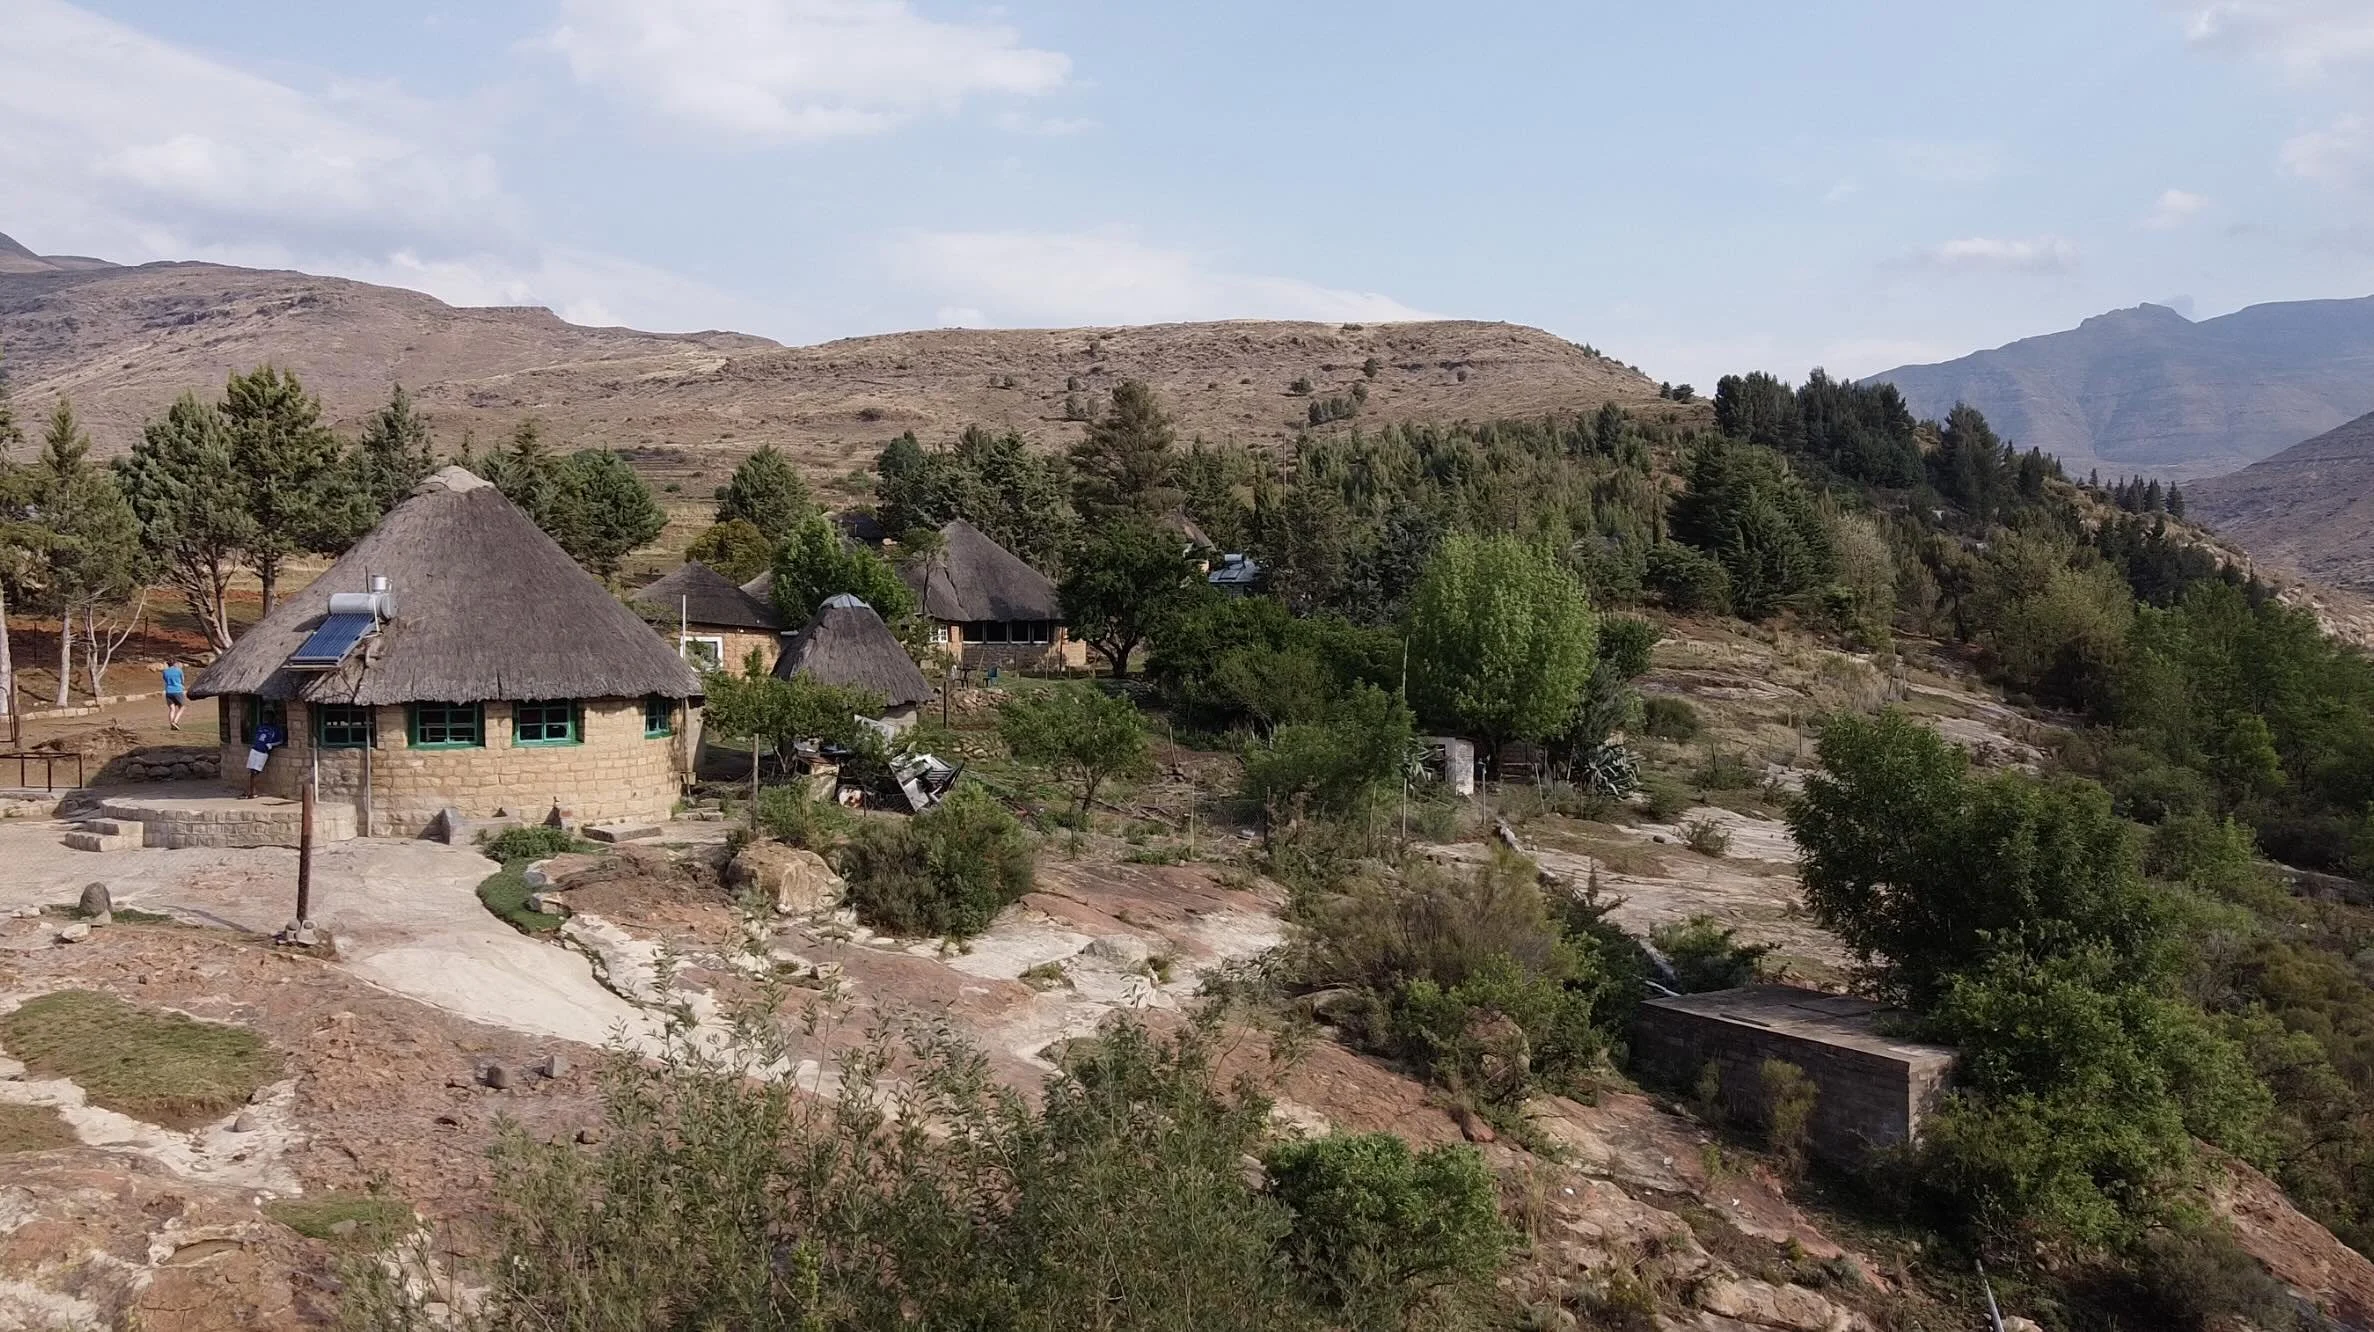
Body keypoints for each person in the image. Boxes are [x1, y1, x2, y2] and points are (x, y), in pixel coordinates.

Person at [244, 715, 286, 798]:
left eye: (268, 718)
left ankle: (252, 792)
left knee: (256, 772)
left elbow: (280, 741)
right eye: (265, 718)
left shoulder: (275, 730)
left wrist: (271, 744)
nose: (266, 720)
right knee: (251, 771)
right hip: (255, 749)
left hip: (262, 752)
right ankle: (250, 790)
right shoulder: (260, 727)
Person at [160, 660, 187, 730]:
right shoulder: (179, 670)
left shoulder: (165, 672)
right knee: (182, 707)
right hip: (177, 690)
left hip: (169, 691)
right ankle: (175, 721)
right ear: (175, 663)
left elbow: (165, 680)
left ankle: (172, 724)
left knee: (172, 709)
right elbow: (182, 680)